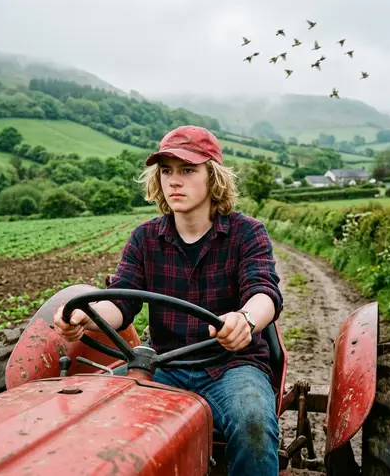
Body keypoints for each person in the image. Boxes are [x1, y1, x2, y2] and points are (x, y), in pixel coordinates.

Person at [53, 125, 283, 476]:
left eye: (188, 170)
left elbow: (264, 291)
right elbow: (122, 300)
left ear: (213, 177)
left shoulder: (246, 232)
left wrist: (246, 320)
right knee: (90, 411)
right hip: (163, 365)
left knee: (253, 424)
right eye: (166, 171)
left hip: (231, 366)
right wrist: (89, 316)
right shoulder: (145, 238)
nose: (175, 181)